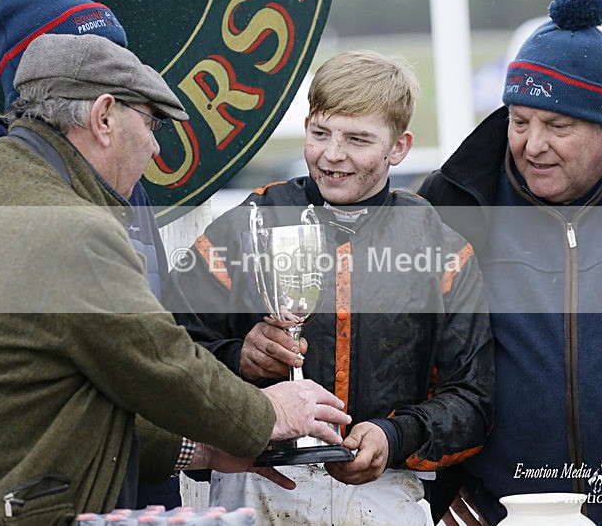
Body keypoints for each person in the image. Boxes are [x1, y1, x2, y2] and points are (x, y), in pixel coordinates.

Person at [0, 33, 353, 525]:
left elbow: (58, 394)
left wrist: (204, 451)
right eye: (150, 124)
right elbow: (160, 362)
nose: (152, 148)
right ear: (104, 118)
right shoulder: (69, 227)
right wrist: (269, 414)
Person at [417, 0, 602, 524]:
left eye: (557, 126)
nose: (532, 145)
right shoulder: (453, 203)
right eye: (519, 120)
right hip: (502, 515)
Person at [168, 50, 494, 526]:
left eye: (358, 139)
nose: (332, 154)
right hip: (256, 482)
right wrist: (239, 356)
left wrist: (392, 436)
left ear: (399, 148)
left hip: (385, 492)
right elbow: (167, 353)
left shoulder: (441, 248)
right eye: (320, 133)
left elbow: (474, 400)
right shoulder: (243, 227)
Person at [0, 0, 196, 508]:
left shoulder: (128, 187)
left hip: (143, 490)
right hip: (23, 500)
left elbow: (157, 337)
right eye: (93, 60)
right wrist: (250, 423)